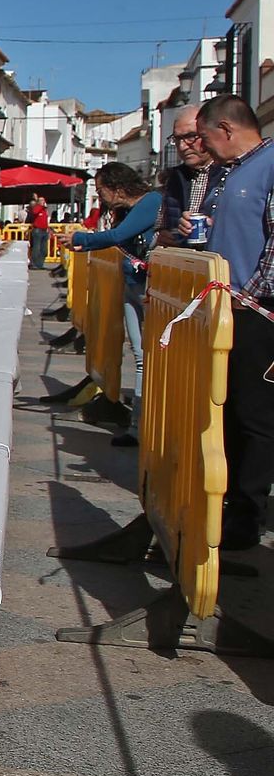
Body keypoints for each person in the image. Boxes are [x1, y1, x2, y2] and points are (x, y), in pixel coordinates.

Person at [190, 94, 274, 549]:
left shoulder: (269, 164)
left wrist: (250, 294)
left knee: (255, 416)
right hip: (230, 308)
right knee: (230, 409)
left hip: (256, 313)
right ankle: (229, 502)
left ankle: (247, 514)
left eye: (203, 137)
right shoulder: (229, 174)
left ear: (225, 129)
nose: (202, 147)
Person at [61, 162, 160, 448]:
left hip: (148, 288)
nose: (100, 195)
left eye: (101, 189)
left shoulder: (151, 201)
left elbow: (118, 236)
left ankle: (143, 426)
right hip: (133, 284)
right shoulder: (126, 210)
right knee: (140, 356)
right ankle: (136, 427)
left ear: (118, 187)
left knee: (147, 358)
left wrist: (80, 239)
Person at [154, 105, 221, 247]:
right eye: (177, 139)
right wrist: (161, 239)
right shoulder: (175, 179)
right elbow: (161, 227)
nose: (183, 146)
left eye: (191, 136)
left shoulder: (228, 174)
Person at [28, 192, 51, 268]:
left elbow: (46, 221)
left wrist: (48, 230)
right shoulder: (37, 208)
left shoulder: (44, 210)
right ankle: (34, 264)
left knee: (44, 249)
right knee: (36, 249)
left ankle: (40, 264)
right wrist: (39, 204)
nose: (43, 202)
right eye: (41, 200)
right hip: (37, 230)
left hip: (44, 230)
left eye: (44, 200)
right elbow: (34, 211)